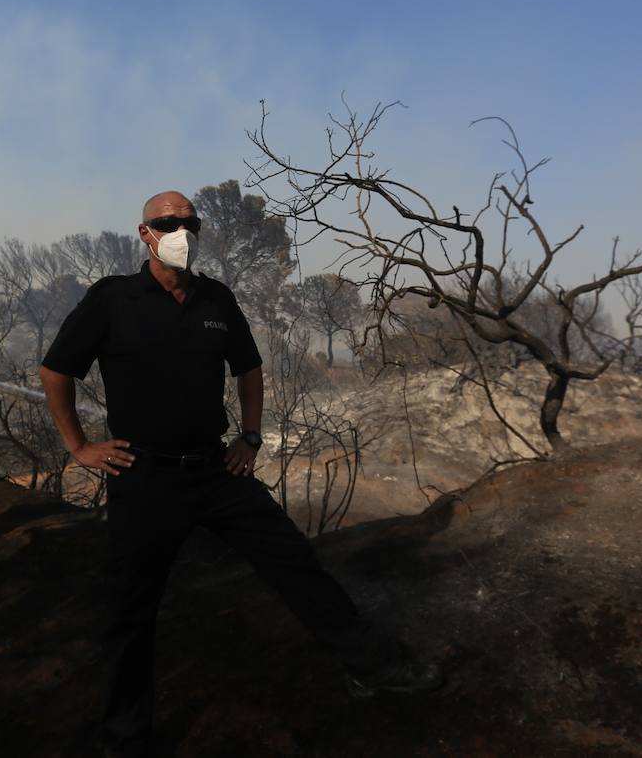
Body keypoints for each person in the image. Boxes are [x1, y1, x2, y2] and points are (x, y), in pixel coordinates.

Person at [39, 191, 443, 757]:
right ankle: (124, 737)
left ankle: (370, 665)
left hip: (215, 470)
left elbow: (249, 368)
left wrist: (250, 437)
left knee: (294, 560)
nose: (180, 230)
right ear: (144, 233)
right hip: (145, 477)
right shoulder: (112, 299)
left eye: (188, 222)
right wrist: (78, 446)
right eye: (167, 222)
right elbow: (56, 369)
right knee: (130, 607)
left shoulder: (216, 298)